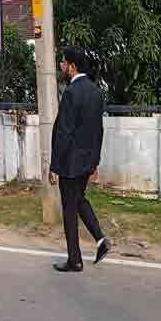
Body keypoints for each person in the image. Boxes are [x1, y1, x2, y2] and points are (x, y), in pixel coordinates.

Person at [50, 46, 112, 273]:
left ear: (72, 66)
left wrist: (54, 165)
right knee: (78, 200)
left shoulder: (71, 92)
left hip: (69, 162)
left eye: (63, 62)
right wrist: (95, 162)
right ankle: (101, 240)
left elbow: (64, 132)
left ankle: (74, 260)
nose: (61, 65)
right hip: (86, 161)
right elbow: (98, 131)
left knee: (69, 209)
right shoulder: (96, 92)